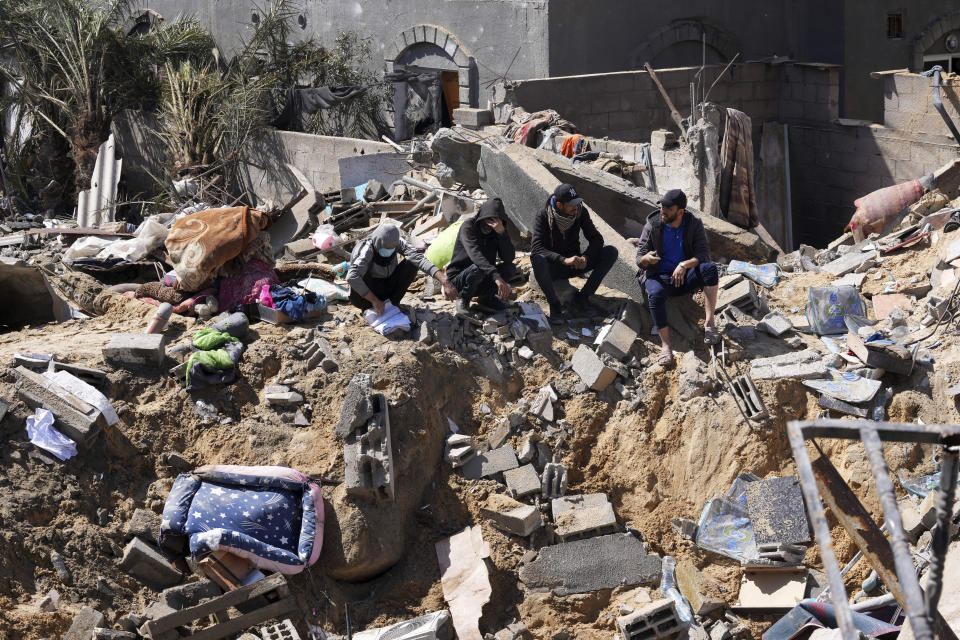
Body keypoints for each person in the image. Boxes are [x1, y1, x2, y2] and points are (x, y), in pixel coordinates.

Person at [630, 189, 720, 366]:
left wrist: (684, 265)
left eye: (668, 208)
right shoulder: (653, 225)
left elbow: (703, 255)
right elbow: (639, 257)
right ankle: (666, 345)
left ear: (680, 211)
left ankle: (710, 324)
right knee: (655, 293)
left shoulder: (693, 224)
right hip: (659, 276)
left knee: (710, 269)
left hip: (685, 277)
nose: (663, 210)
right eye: (662, 206)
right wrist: (646, 259)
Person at [531, 183, 618, 323]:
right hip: (555, 266)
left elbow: (596, 239)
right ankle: (555, 306)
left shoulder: (580, 212)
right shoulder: (543, 215)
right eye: (572, 205)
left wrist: (586, 257)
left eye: (577, 203)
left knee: (610, 252)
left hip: (575, 265)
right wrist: (563, 260)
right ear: (559, 205)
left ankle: (582, 298)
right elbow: (537, 248)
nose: (576, 207)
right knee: (538, 260)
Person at [347, 224, 456, 314]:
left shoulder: (397, 242)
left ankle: (393, 303)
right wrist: (374, 301)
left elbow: (419, 258)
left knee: (413, 262)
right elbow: (352, 276)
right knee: (360, 273)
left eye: (392, 249)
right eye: (387, 249)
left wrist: (444, 281)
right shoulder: (366, 248)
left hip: (386, 286)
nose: (390, 251)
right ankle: (370, 307)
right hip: (365, 295)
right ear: (379, 244)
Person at [445, 197, 520, 314]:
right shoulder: (468, 227)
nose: (489, 226)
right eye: (487, 220)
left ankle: (487, 298)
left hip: (482, 277)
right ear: (482, 218)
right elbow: (475, 254)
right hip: (459, 280)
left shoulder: (497, 231)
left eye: (494, 222)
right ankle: (463, 298)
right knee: (478, 268)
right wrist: (496, 277)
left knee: (510, 268)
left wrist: (502, 233)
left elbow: (508, 258)